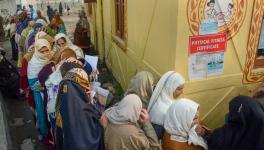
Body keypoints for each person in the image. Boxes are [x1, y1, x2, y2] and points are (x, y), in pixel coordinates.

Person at [55, 68, 104, 150]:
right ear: (81, 87)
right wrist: (91, 104)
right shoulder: (85, 110)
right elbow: (95, 137)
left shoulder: (61, 107)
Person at [27, 39, 54, 140]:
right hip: (40, 93)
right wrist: (42, 87)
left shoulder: (52, 56)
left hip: (52, 91)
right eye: (42, 51)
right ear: (37, 51)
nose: (45, 53)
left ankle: (54, 134)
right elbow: (32, 83)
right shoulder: (33, 64)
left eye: (47, 50)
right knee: (42, 111)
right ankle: (45, 133)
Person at [147, 71, 185, 140]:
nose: (182, 92)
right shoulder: (161, 111)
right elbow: (157, 138)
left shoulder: (169, 100)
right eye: (179, 89)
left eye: (182, 88)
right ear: (169, 87)